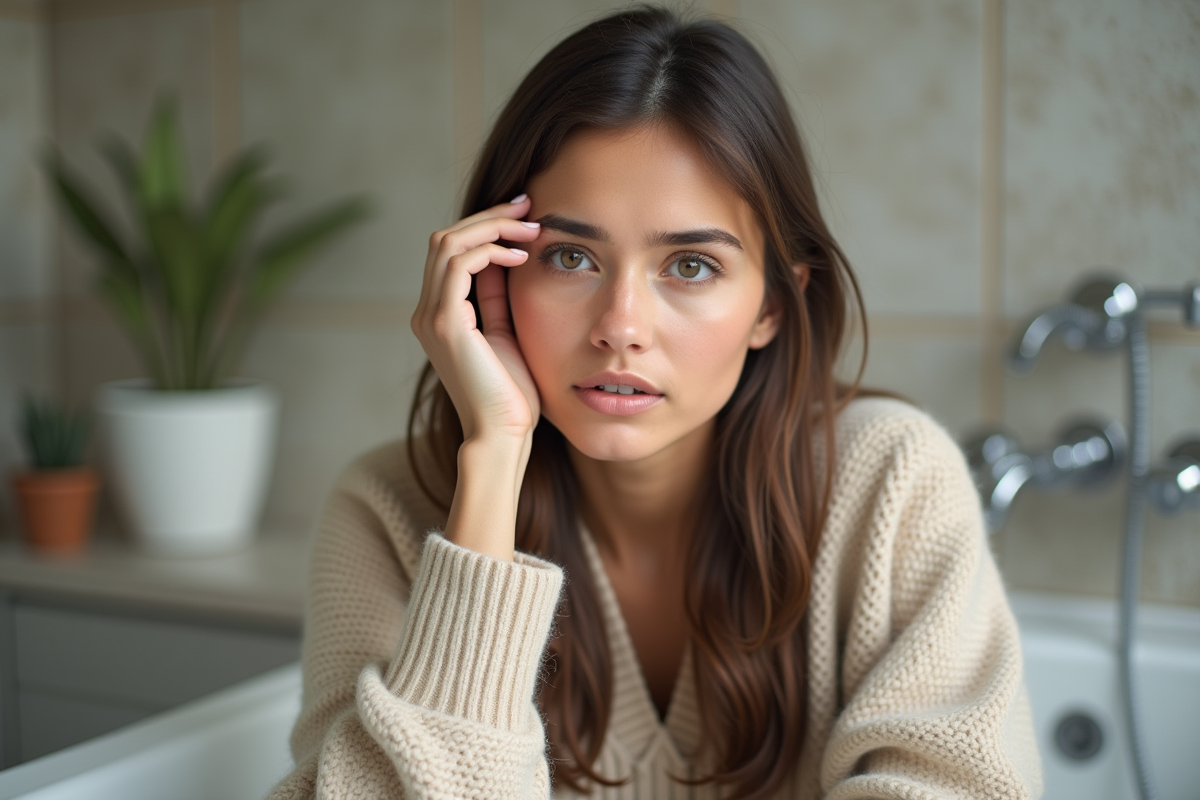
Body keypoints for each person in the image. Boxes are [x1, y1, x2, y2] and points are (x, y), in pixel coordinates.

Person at [269, 6, 1041, 799]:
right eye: (570, 256)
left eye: (692, 266)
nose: (621, 329)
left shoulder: (893, 483)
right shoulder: (390, 509)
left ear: (773, 305)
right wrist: (492, 469)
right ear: (492, 276)